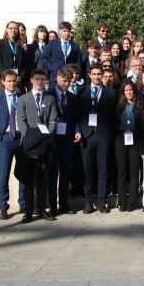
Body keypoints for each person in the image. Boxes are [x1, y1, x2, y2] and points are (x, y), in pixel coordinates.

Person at [16, 69, 59, 223]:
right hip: (29, 148)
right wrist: (31, 140)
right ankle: (28, 211)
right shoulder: (23, 99)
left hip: (45, 147)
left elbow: (53, 121)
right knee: (28, 181)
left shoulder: (50, 99)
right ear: (31, 80)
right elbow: (21, 121)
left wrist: (46, 138)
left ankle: (41, 209)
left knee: (43, 180)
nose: (40, 82)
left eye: (42, 79)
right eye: (37, 79)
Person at [0, 69, 26, 219]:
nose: (11, 84)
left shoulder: (22, 98)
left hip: (20, 138)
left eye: (13, 80)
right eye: (8, 81)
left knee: (22, 174)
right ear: (3, 82)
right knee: (3, 174)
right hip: (5, 139)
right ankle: (3, 206)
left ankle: (23, 203)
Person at [79, 63, 117, 214]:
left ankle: (101, 202)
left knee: (103, 170)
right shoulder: (82, 92)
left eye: (99, 74)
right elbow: (78, 115)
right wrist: (80, 132)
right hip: (87, 135)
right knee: (87, 171)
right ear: (89, 75)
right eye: (94, 74)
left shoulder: (111, 93)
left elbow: (114, 117)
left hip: (103, 136)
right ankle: (88, 202)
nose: (97, 77)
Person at [47, 67, 81, 215]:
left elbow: (76, 117)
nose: (67, 84)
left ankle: (64, 203)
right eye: (64, 81)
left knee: (66, 173)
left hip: (67, 139)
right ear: (58, 79)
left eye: (69, 81)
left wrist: (78, 130)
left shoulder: (73, 98)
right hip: (53, 139)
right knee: (53, 174)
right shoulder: (49, 96)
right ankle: (53, 205)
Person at [114, 80, 144, 212]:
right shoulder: (118, 106)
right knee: (122, 172)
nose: (129, 92)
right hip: (121, 139)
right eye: (126, 90)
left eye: (130, 90)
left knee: (133, 172)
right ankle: (122, 202)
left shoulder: (140, 106)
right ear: (123, 92)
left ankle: (132, 202)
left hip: (135, 140)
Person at [41, 21, 81, 90]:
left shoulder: (75, 46)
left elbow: (78, 62)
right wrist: (52, 68)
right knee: (54, 98)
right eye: (65, 31)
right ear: (60, 31)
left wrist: (76, 75)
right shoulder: (52, 44)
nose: (67, 33)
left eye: (68, 31)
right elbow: (44, 58)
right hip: (55, 77)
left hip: (70, 78)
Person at [0, 21, 25, 92]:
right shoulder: (1, 42)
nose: (13, 30)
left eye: (15, 28)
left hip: (17, 78)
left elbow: (23, 64)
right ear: (6, 29)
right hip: (4, 78)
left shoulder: (20, 45)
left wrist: (20, 76)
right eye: (11, 28)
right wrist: (8, 76)